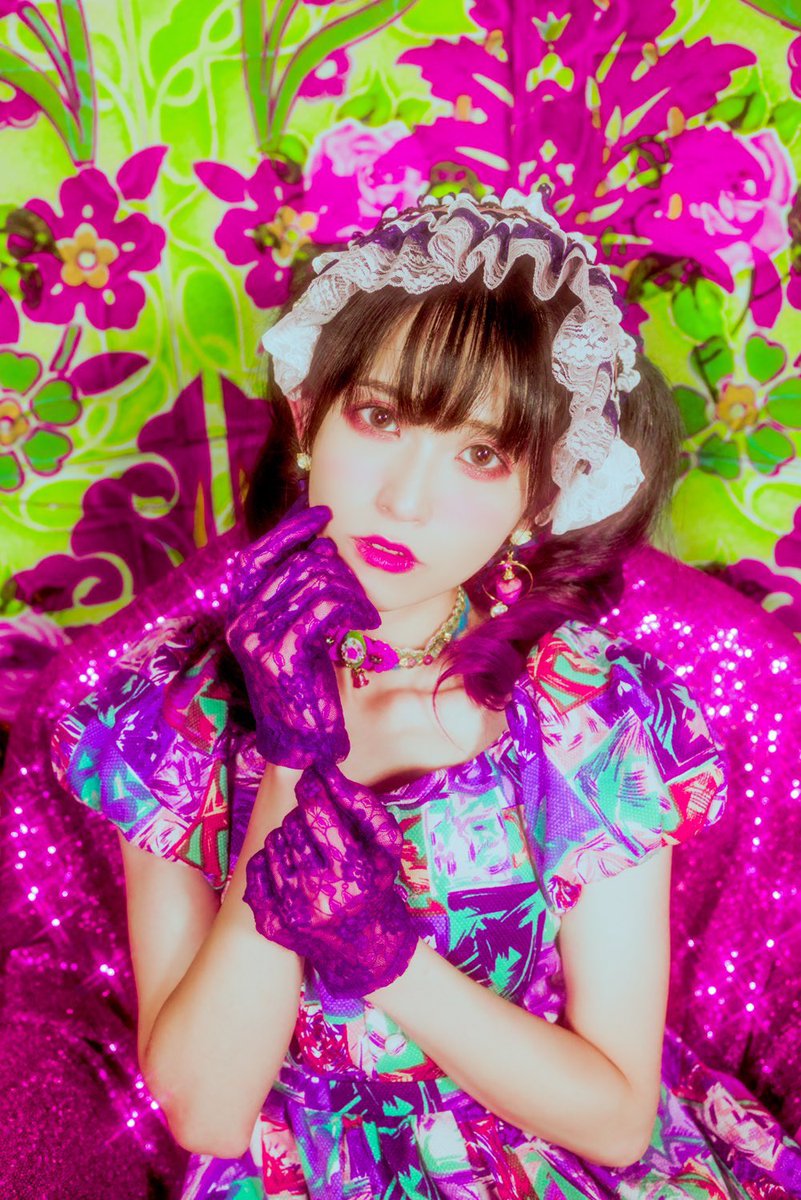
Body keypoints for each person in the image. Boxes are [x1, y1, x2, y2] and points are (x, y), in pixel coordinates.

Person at [50, 189, 801, 1199]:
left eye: (479, 455)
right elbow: (208, 1109)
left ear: (538, 498)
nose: (404, 499)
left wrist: (390, 962)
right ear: (309, 416)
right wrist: (291, 755)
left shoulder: (582, 715)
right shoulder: (182, 712)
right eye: (380, 416)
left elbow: (619, 1122)